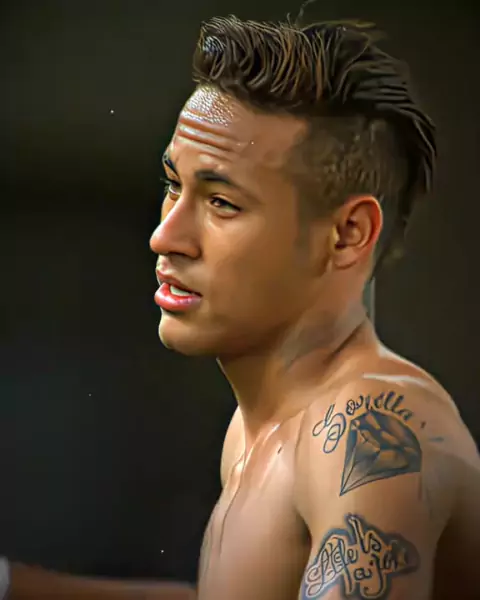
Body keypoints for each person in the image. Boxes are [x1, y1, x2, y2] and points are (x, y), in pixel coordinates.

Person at [6, 13, 480, 600]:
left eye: (222, 202)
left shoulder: (364, 427)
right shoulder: (260, 430)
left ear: (348, 234)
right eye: (173, 185)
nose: (164, 236)